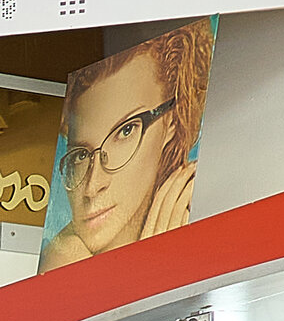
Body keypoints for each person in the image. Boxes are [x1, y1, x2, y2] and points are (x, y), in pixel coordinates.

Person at [43, 22, 210, 270]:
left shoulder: (194, 206)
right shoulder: (65, 256)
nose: (92, 186)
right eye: (80, 155)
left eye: (125, 131)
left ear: (172, 122)